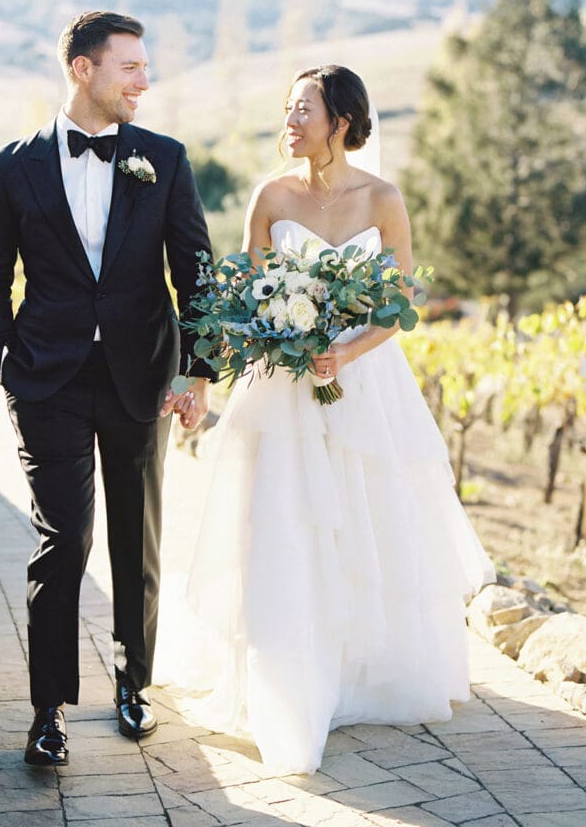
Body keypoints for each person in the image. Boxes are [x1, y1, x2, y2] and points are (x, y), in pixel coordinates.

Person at [154, 65, 495, 776]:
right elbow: (243, 293)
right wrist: (233, 355)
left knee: (367, 521)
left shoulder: (384, 198)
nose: (289, 119)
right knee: (284, 520)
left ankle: (360, 673)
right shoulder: (270, 195)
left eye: (301, 108)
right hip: (281, 385)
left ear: (339, 119)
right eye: (286, 108)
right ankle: (287, 670)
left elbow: (399, 303)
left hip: (363, 383)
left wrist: (346, 350)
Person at [0, 11, 213, 767]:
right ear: (83, 69)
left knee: (137, 537)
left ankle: (134, 682)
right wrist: (4, 359)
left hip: (143, 376)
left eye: (145, 66)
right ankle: (48, 709)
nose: (145, 80)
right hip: (48, 380)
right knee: (62, 540)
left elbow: (194, 270)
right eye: (130, 67)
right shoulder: (13, 165)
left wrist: (198, 369)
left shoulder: (164, 159)